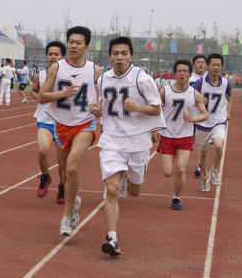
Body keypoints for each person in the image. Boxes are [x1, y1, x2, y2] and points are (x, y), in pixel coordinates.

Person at [97, 37, 165, 256]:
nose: (119, 58)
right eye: (115, 53)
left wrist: (137, 107)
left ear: (131, 56)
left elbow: (156, 109)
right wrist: (97, 111)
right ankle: (112, 238)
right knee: (112, 190)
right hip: (111, 140)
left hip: (137, 142)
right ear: (110, 56)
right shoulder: (103, 79)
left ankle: (128, 179)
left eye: (124, 54)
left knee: (135, 192)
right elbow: (102, 105)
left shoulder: (141, 79)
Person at [39, 26, 102, 237]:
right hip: (61, 124)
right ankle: (74, 201)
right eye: (71, 42)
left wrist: (99, 107)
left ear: (87, 46)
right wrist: (63, 93)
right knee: (65, 174)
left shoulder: (95, 70)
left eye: (78, 43)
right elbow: (42, 96)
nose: (74, 46)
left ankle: (66, 217)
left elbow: (103, 99)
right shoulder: (57, 68)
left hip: (85, 124)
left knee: (73, 169)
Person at [156, 60, 208, 210]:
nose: (182, 74)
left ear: (190, 75)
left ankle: (176, 198)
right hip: (167, 136)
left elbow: (205, 115)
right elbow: (156, 111)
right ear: (174, 74)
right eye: (179, 71)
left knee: (181, 169)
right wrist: (154, 129)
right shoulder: (165, 91)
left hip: (184, 137)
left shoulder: (195, 94)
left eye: (185, 71)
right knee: (167, 172)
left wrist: (192, 119)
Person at [31, 41, 66, 203]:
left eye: (56, 54)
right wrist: (38, 97)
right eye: (50, 54)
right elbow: (34, 89)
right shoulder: (42, 74)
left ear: (63, 56)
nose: (52, 57)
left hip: (63, 123)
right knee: (43, 150)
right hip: (44, 120)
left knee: (62, 163)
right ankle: (45, 176)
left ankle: (63, 187)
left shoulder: (68, 75)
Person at [193, 53, 233, 192]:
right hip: (203, 122)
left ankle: (215, 170)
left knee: (218, 144)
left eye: (218, 65)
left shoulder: (226, 83)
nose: (216, 67)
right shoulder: (200, 83)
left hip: (219, 120)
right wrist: (199, 102)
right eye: (213, 64)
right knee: (203, 153)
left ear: (221, 67)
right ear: (208, 65)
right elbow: (192, 99)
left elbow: (230, 96)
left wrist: (227, 111)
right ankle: (205, 177)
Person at [188, 54, 207, 177]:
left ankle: (199, 165)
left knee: (202, 143)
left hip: (203, 117)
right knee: (189, 142)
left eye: (203, 62)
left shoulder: (209, 79)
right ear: (194, 64)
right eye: (198, 62)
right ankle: (182, 161)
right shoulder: (189, 78)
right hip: (190, 115)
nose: (200, 64)